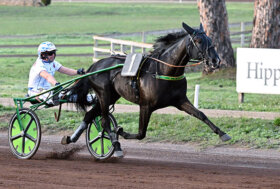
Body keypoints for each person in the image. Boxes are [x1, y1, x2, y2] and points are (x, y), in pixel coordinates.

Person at [28, 41, 94, 145]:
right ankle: (63, 95)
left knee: (68, 92)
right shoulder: (38, 65)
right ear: (43, 55)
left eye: (54, 52)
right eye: (50, 53)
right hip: (36, 93)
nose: (53, 55)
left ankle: (88, 98)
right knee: (61, 93)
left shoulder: (53, 63)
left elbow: (66, 70)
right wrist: (56, 84)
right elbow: (47, 76)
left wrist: (78, 72)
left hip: (49, 91)